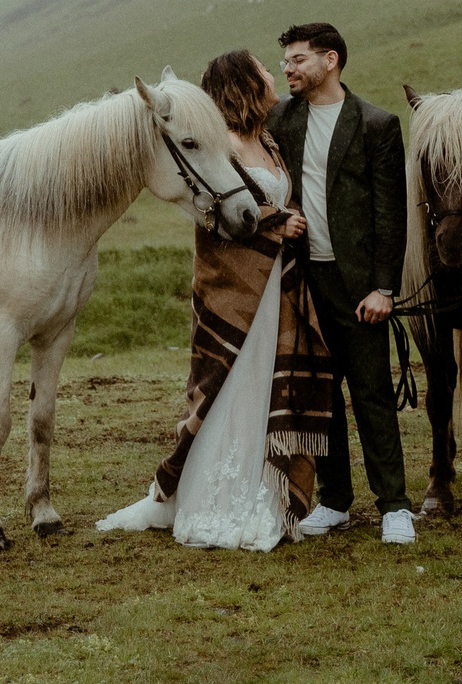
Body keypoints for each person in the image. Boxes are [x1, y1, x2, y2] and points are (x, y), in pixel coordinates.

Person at [96, 49, 335, 550]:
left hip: (276, 290)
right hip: (238, 293)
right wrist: (276, 222)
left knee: (266, 386)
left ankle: (265, 493)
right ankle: (217, 500)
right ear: (247, 83)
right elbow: (217, 215)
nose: (276, 75)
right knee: (233, 385)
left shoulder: (267, 139)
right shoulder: (220, 145)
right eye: (266, 70)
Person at [269, 21, 417, 545]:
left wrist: (385, 288)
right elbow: (257, 177)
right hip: (303, 281)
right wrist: (277, 217)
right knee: (320, 394)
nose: (288, 68)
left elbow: (390, 216)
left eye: (299, 59)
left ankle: (394, 506)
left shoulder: (377, 124)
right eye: (285, 60)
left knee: (372, 393)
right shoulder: (279, 120)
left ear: (330, 61)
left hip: (360, 287)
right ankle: (334, 501)